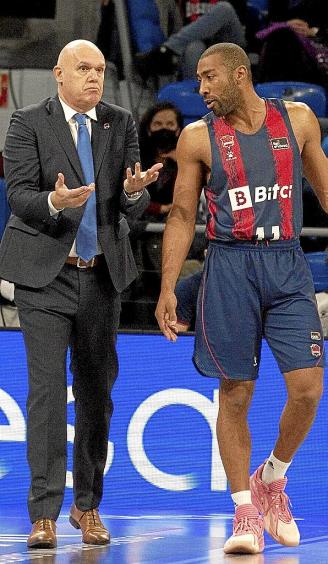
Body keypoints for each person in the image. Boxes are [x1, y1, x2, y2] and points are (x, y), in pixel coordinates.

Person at [155, 42, 327, 555]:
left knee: (308, 389)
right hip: (229, 266)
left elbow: (325, 190)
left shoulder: (297, 120)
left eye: (209, 78)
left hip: (287, 262)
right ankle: (245, 512)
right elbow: (183, 216)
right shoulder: (195, 138)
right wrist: (167, 286)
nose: (201, 89)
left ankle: (272, 478)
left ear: (240, 73)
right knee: (235, 393)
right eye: (197, 79)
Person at [0, 39, 162, 549]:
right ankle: (43, 514)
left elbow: (132, 204)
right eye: (83, 69)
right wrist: (54, 199)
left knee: (97, 397)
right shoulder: (28, 122)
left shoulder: (119, 121)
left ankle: (87, 507)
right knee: (47, 395)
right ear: (58, 74)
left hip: (101, 278)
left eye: (100, 69)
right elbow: (18, 194)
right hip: (46, 275)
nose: (94, 77)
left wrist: (136, 193)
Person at [134, 0, 246, 79]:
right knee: (194, 48)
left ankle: (165, 50)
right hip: (195, 47)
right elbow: (176, 27)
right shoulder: (180, 2)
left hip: (230, 46)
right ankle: (194, 100)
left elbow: (242, 22)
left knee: (224, 8)